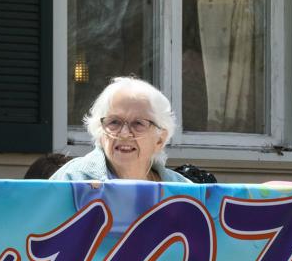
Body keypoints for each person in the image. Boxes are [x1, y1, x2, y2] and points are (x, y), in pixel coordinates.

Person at [50, 77, 190, 182]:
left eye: (138, 123)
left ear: (160, 139)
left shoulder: (183, 191)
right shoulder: (72, 180)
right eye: (114, 122)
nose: (124, 134)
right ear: (100, 131)